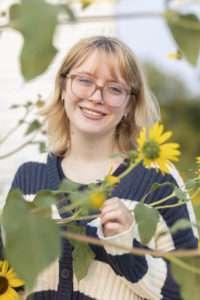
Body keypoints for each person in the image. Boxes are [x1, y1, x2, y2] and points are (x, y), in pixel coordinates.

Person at [9, 36, 198, 300]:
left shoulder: (160, 180)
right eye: (85, 81)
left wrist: (125, 247)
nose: (96, 97)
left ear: (129, 105)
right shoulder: (28, 178)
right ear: (63, 88)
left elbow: (190, 288)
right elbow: (9, 278)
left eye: (114, 88)